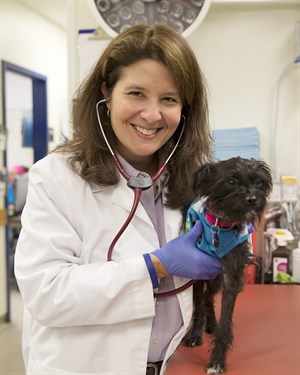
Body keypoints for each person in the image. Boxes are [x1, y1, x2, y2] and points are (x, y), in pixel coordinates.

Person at [15, 24, 222, 375]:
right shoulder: (56, 178)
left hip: (173, 365)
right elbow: (46, 294)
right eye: (137, 93)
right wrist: (156, 266)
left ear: (185, 108)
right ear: (107, 92)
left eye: (168, 99)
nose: (152, 115)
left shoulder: (191, 176)